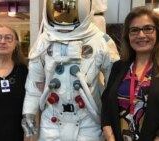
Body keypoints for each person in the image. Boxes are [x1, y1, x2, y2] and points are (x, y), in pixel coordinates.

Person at [21, 0, 120, 140]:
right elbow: (34, 86)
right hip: (52, 120)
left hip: (89, 119)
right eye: (57, 7)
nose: (63, 14)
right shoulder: (44, 41)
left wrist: (111, 123)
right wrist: (29, 114)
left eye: (70, 8)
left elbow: (114, 87)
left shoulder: (100, 41)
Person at [101, 6, 159, 141]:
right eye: (134, 30)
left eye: (148, 28)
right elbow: (106, 105)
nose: (141, 35)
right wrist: (110, 137)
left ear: (157, 33)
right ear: (128, 36)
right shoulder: (118, 67)